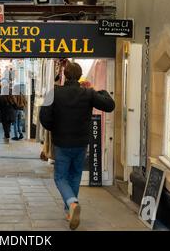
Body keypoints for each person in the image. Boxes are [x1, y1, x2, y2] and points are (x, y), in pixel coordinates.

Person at [39, 62, 115, 230]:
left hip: (62, 143)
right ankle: (69, 210)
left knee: (60, 177)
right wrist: (97, 90)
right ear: (80, 76)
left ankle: (72, 204)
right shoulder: (87, 93)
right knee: (75, 175)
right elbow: (110, 105)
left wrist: (54, 128)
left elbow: (44, 117)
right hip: (81, 143)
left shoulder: (54, 93)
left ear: (64, 74)